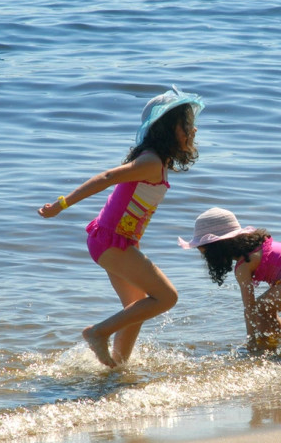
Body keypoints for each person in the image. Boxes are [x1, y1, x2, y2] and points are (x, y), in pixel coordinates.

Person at [38, 86, 204, 367]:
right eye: (186, 125)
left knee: (136, 307)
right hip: (111, 241)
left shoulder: (156, 162)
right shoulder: (151, 161)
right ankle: (98, 332)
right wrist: (61, 205)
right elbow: (107, 176)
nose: (193, 131)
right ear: (166, 129)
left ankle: (116, 368)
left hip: (115, 241)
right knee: (167, 297)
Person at [179, 207, 281, 350]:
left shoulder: (244, 265)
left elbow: (249, 308)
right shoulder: (259, 248)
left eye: (204, 252)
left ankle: (274, 348)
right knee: (266, 306)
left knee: (261, 308)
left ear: (217, 248)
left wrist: (251, 340)